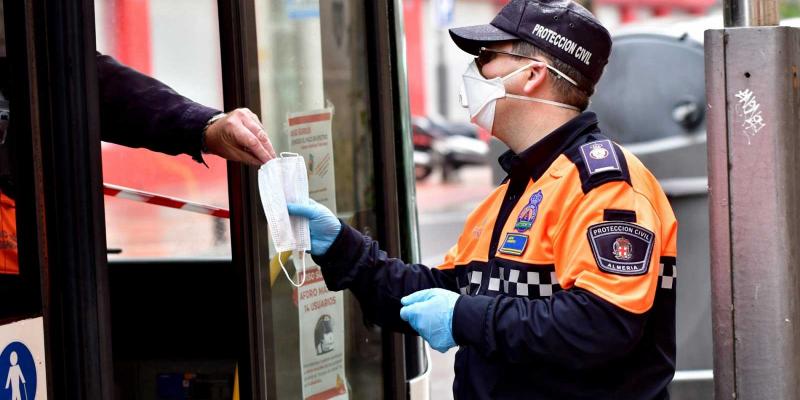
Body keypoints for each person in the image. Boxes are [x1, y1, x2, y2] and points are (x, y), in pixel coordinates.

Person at [287, 0, 678, 399]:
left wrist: (465, 317)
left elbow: (602, 326)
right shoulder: (519, 189)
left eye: (488, 56)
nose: (475, 70)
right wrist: (341, 247)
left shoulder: (604, 186)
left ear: (532, 74)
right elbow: (440, 291)